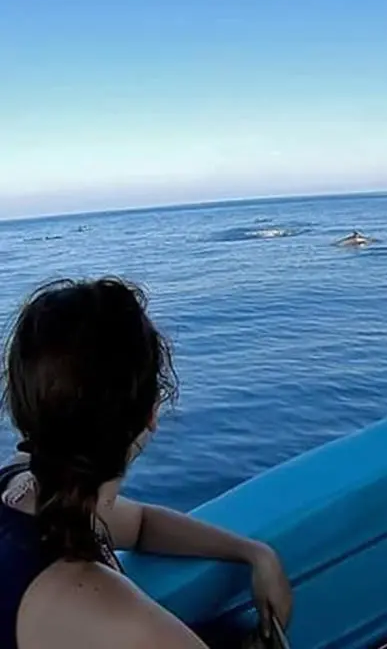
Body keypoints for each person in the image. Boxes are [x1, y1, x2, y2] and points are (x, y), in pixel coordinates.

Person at [0, 278, 293, 648]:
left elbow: (140, 525)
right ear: (152, 412)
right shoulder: (116, 617)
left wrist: (254, 552)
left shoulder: (22, 486)